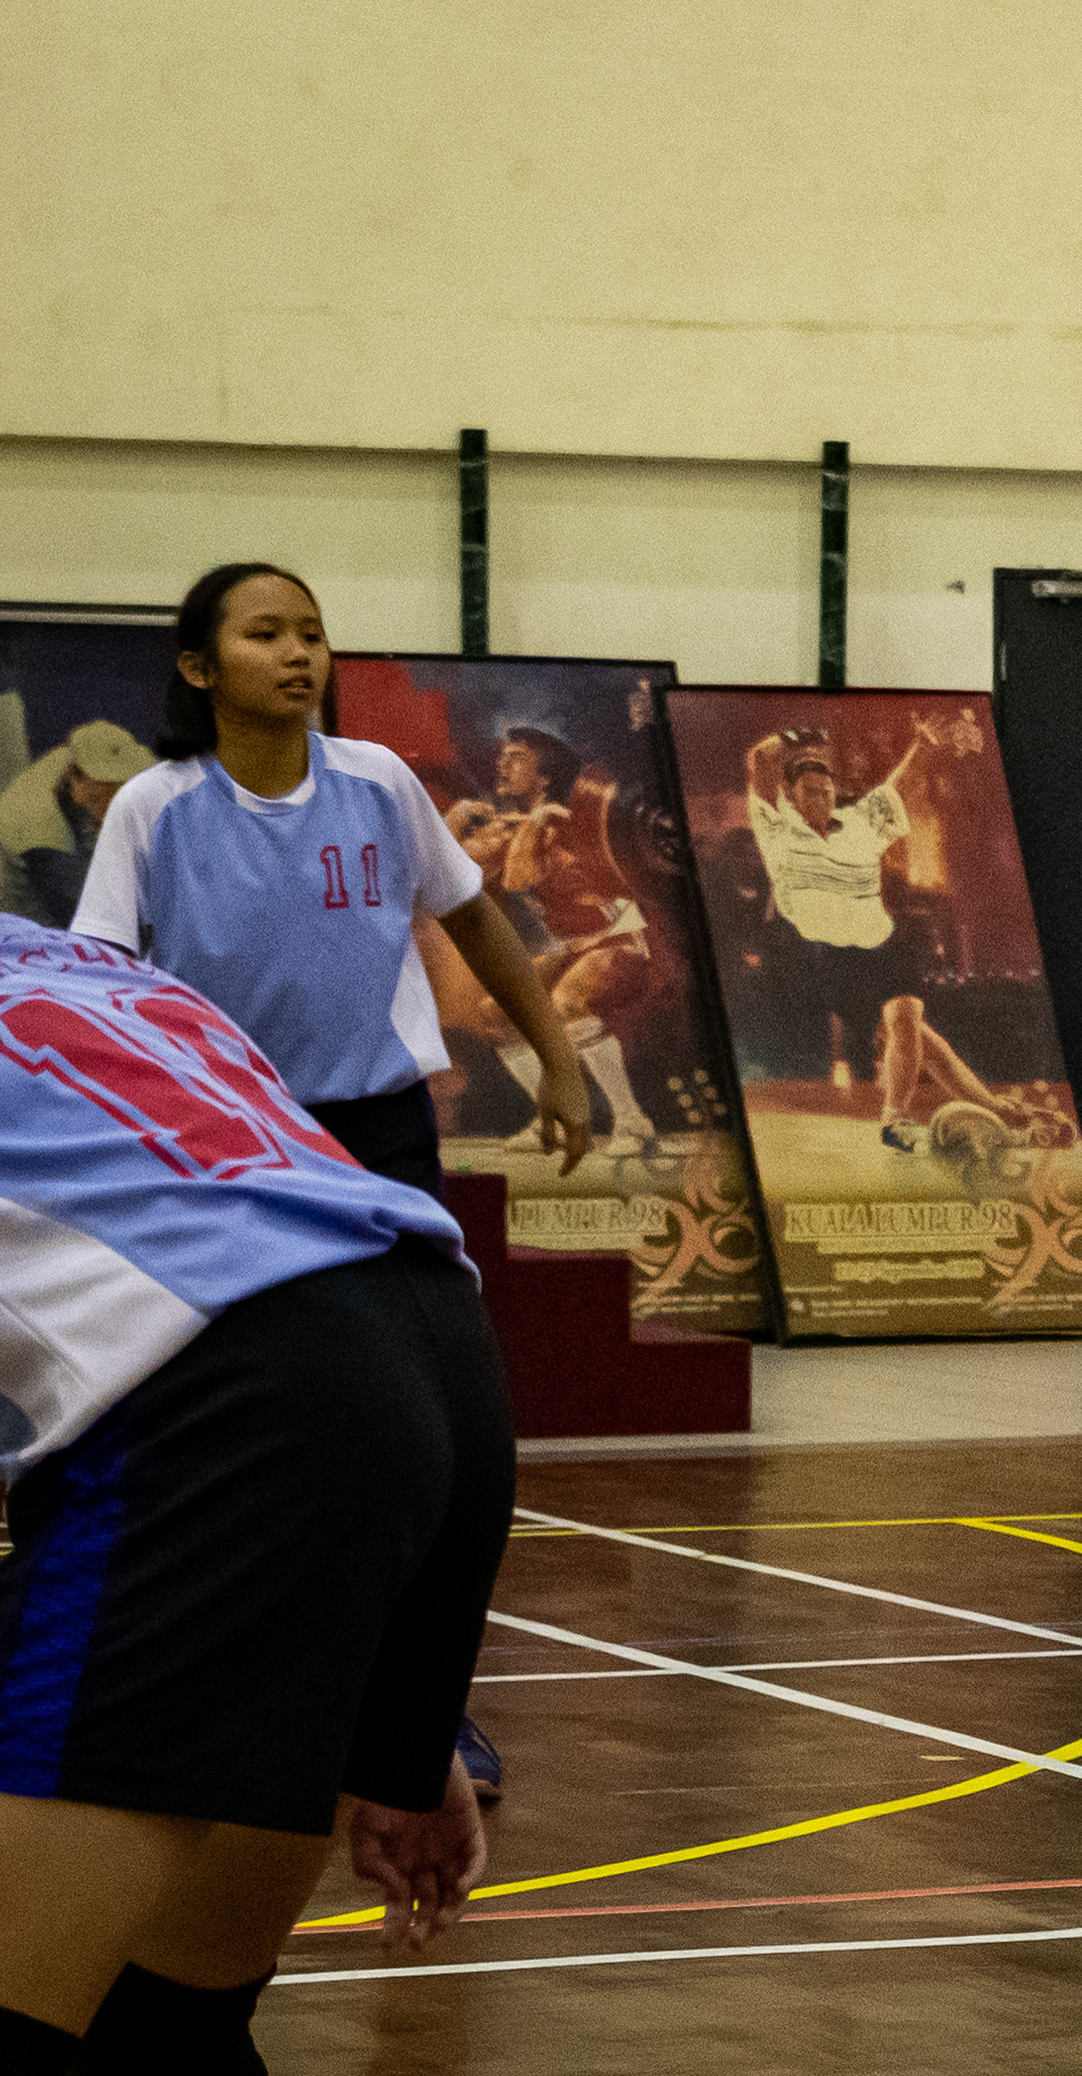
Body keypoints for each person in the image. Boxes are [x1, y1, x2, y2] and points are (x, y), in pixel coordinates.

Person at [0, 915, 505, 2076]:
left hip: (229, 1412)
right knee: (168, 2045)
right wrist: (389, 1700)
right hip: (435, 1361)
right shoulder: (82, 967)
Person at [73, 562, 584, 1810]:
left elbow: (477, 922)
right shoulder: (154, 807)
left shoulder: (380, 783)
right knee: (270, 1437)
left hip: (379, 1146)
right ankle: (217, 1687)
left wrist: (561, 1059)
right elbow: (98, 987)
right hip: (227, 1154)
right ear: (201, 666)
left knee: (453, 1439)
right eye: (265, 633)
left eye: (311, 631)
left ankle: (425, 1710)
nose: (300, 652)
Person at [739, 716, 1013, 1155]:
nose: (822, 798)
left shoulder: (858, 822)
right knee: (922, 1042)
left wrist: (922, 745)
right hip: (831, 957)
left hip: (885, 946)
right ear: (790, 795)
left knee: (904, 1018)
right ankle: (994, 1108)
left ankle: (894, 1120)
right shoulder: (776, 826)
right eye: (811, 791)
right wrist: (797, 737)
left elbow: (895, 787)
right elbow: (760, 760)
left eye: (827, 791)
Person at [447, 726, 658, 1156]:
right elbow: (446, 874)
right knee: (497, 1013)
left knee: (567, 1002)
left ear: (544, 776)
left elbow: (518, 878)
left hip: (623, 941)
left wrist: (534, 823)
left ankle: (632, 1122)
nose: (502, 763)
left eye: (516, 756)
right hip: (574, 948)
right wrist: (455, 818)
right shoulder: (519, 826)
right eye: (503, 755)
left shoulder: (568, 820)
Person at [0, 722, 155, 928]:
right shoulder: (44, 834)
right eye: (111, 791)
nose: (120, 795)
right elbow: (94, 910)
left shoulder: (77, 756)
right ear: (78, 778)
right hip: (32, 915)